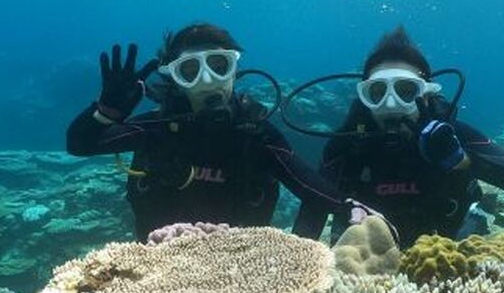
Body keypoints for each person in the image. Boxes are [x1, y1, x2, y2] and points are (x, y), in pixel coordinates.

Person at [66, 23, 357, 239]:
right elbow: (79, 144)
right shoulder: (158, 127)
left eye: (219, 66)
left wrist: (350, 208)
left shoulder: (256, 135)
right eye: (190, 71)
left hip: (240, 273)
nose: (207, 80)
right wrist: (105, 113)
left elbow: (307, 184)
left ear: (234, 70)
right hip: (157, 270)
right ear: (175, 79)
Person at [294, 27, 504, 246]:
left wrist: (463, 160)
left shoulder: (451, 134)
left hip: (451, 251)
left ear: (427, 94)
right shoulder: (346, 144)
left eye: (406, 91)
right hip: (364, 256)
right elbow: (314, 208)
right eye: (377, 92)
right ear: (364, 98)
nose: (390, 104)